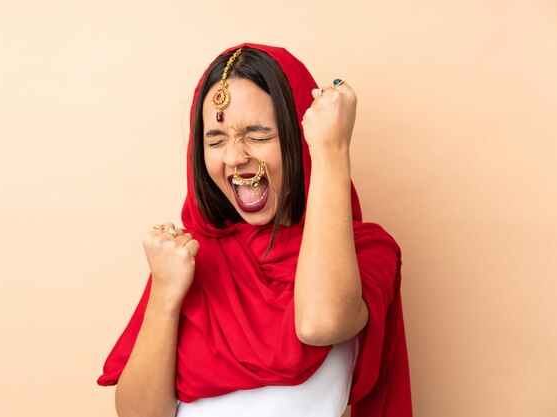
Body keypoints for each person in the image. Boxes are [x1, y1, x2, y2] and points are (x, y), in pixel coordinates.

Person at [97, 43, 412, 417]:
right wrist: (165, 292)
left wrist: (331, 148)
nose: (234, 157)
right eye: (215, 140)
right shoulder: (190, 258)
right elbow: (138, 415)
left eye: (258, 134)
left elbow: (319, 323)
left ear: (300, 140)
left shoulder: (365, 253)